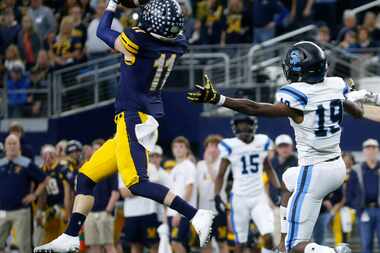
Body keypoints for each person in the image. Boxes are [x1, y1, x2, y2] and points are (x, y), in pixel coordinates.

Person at [34, 1, 214, 252]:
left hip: (134, 118)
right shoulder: (178, 42)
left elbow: (102, 31)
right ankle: (71, 236)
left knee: (137, 183)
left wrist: (112, 4)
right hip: (138, 117)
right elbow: (160, 25)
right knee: (85, 176)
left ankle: (196, 214)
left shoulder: (138, 41)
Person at [187, 41, 364, 253]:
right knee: (288, 179)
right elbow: (358, 112)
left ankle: (334, 251)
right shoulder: (336, 86)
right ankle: (281, 242)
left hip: (314, 172)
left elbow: (254, 108)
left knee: (296, 246)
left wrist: (220, 99)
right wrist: (348, 96)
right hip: (336, 167)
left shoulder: (299, 96)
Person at [213, 114, 280, 253]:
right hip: (239, 198)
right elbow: (220, 175)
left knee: (268, 235)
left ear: (253, 126)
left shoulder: (262, 142)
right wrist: (216, 195)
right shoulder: (230, 146)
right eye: (240, 125)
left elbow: (268, 167)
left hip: (259, 197)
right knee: (240, 243)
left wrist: (279, 188)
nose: (243, 128)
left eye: (246, 125)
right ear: (235, 128)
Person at [0, 134, 48, 253]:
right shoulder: (1, 163)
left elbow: (45, 180)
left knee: (23, 247)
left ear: (19, 146)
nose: (11, 146)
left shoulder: (27, 163)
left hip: (21, 211)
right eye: (9, 143)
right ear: (5, 146)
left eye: (14, 143)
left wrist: (34, 195)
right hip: (1, 212)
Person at [197, 135, 228, 253]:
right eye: (211, 145)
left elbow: (217, 181)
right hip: (203, 211)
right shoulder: (199, 165)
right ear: (206, 148)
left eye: (216, 146)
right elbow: (197, 189)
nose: (213, 149)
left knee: (222, 242)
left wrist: (209, 164)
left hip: (218, 209)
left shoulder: (224, 163)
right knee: (205, 244)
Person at [168, 136, 197, 253]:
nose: (178, 149)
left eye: (181, 146)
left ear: (187, 150)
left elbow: (189, 190)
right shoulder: (175, 168)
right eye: (175, 147)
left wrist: (179, 213)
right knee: (176, 243)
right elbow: (171, 192)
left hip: (181, 213)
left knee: (176, 242)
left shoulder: (188, 166)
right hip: (172, 213)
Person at [37, 145, 71, 245]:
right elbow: (41, 194)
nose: (48, 157)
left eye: (51, 154)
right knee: (47, 240)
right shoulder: (41, 170)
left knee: (64, 240)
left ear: (55, 155)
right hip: (49, 208)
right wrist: (39, 212)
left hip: (61, 206)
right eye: (45, 155)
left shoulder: (62, 169)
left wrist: (68, 212)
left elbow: (68, 192)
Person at [269, 134, 298, 245]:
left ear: (292, 146)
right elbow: (265, 184)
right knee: (277, 237)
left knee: (294, 238)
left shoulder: (298, 162)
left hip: (293, 207)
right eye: (281, 146)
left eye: (286, 146)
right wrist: (269, 203)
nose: (284, 149)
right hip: (275, 206)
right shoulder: (271, 162)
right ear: (276, 148)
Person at [353, 139, 380, 253]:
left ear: (378, 151)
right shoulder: (357, 169)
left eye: (373, 148)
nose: (371, 151)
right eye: (368, 149)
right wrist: (358, 207)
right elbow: (350, 192)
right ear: (364, 152)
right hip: (364, 211)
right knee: (366, 243)